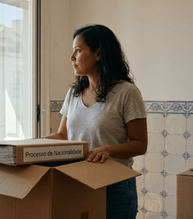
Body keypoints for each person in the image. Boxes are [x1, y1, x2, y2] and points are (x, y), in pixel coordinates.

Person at [43, 25, 147, 219]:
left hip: (115, 187)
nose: (71, 57)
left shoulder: (127, 92)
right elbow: (63, 135)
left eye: (78, 50)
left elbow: (140, 144)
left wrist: (108, 150)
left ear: (98, 54)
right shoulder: (73, 93)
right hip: (77, 182)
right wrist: (29, 146)